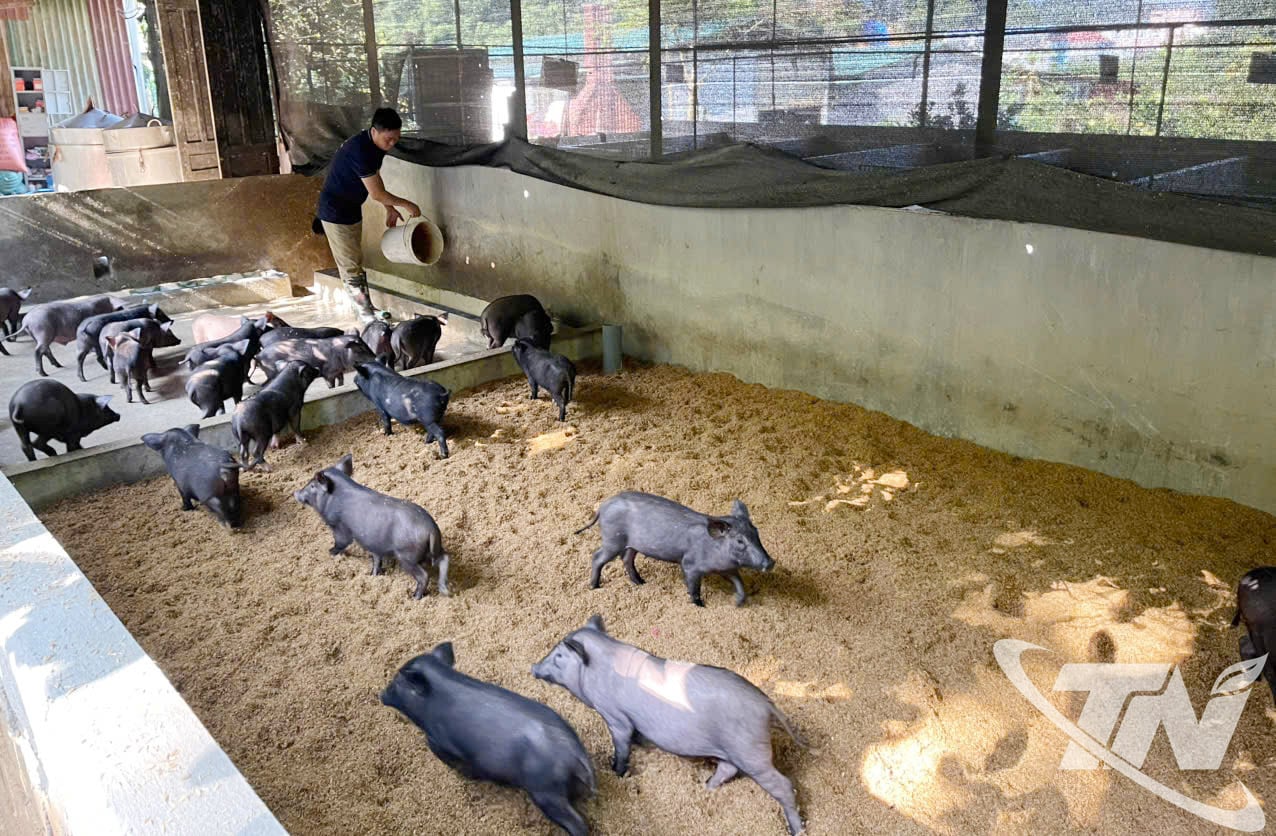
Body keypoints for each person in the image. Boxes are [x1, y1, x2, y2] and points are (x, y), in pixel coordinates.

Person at [316, 108, 421, 323]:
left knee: (355, 259)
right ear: (374, 131)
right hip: (335, 211)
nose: (392, 144)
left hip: (351, 206)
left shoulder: (374, 146)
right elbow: (376, 193)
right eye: (388, 139)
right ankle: (363, 314)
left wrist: (389, 207)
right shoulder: (361, 150)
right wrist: (407, 204)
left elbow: (375, 180)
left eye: (396, 140)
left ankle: (366, 306)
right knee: (349, 264)